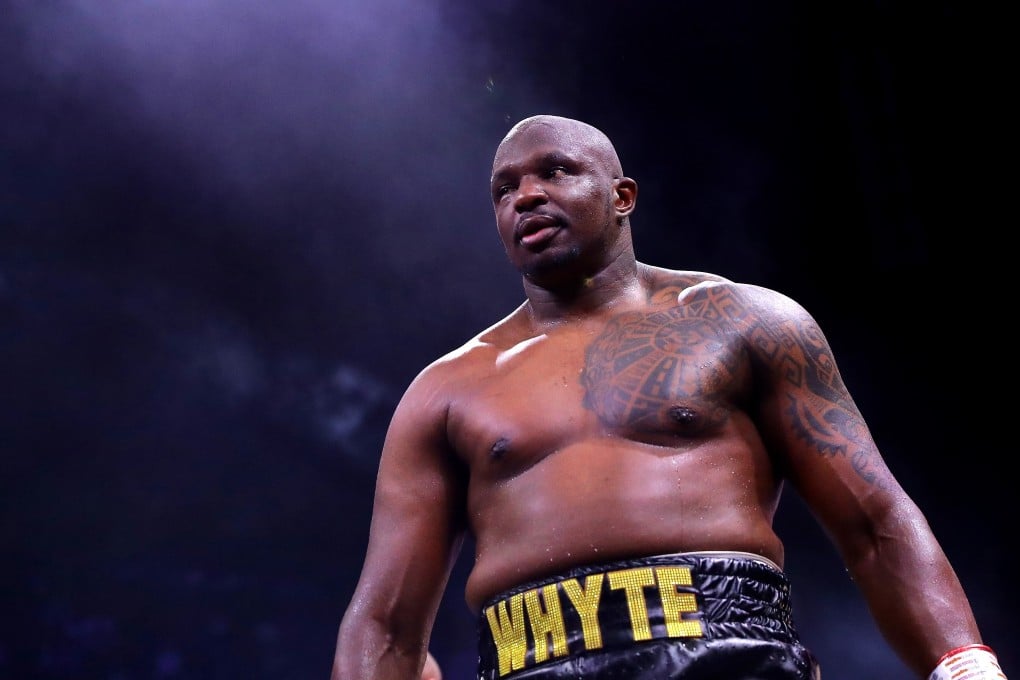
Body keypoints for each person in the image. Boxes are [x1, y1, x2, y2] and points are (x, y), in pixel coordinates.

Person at [330, 114, 1007, 679]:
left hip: (727, 648)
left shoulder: (743, 321)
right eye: (504, 189)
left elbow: (873, 522)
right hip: (528, 658)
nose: (526, 196)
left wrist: (964, 666)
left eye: (555, 172)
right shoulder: (448, 388)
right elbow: (387, 623)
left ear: (622, 195)